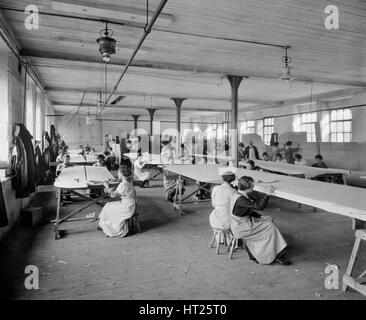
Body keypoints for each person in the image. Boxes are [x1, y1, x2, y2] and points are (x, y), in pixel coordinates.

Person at [229, 176, 291, 265]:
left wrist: (261, 217)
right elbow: (260, 207)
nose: (253, 187)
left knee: (267, 222)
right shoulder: (241, 199)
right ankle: (277, 255)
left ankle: (260, 253)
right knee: (270, 226)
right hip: (242, 227)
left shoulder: (237, 195)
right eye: (252, 186)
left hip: (240, 223)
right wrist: (268, 193)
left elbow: (246, 212)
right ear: (247, 188)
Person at [98, 167, 137, 237]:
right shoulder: (127, 182)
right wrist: (112, 188)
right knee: (108, 205)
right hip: (130, 203)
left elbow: (113, 195)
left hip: (127, 207)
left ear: (122, 174)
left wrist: (107, 187)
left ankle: (108, 226)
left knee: (108, 207)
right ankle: (103, 225)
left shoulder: (123, 184)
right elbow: (120, 191)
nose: (117, 174)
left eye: (118, 172)